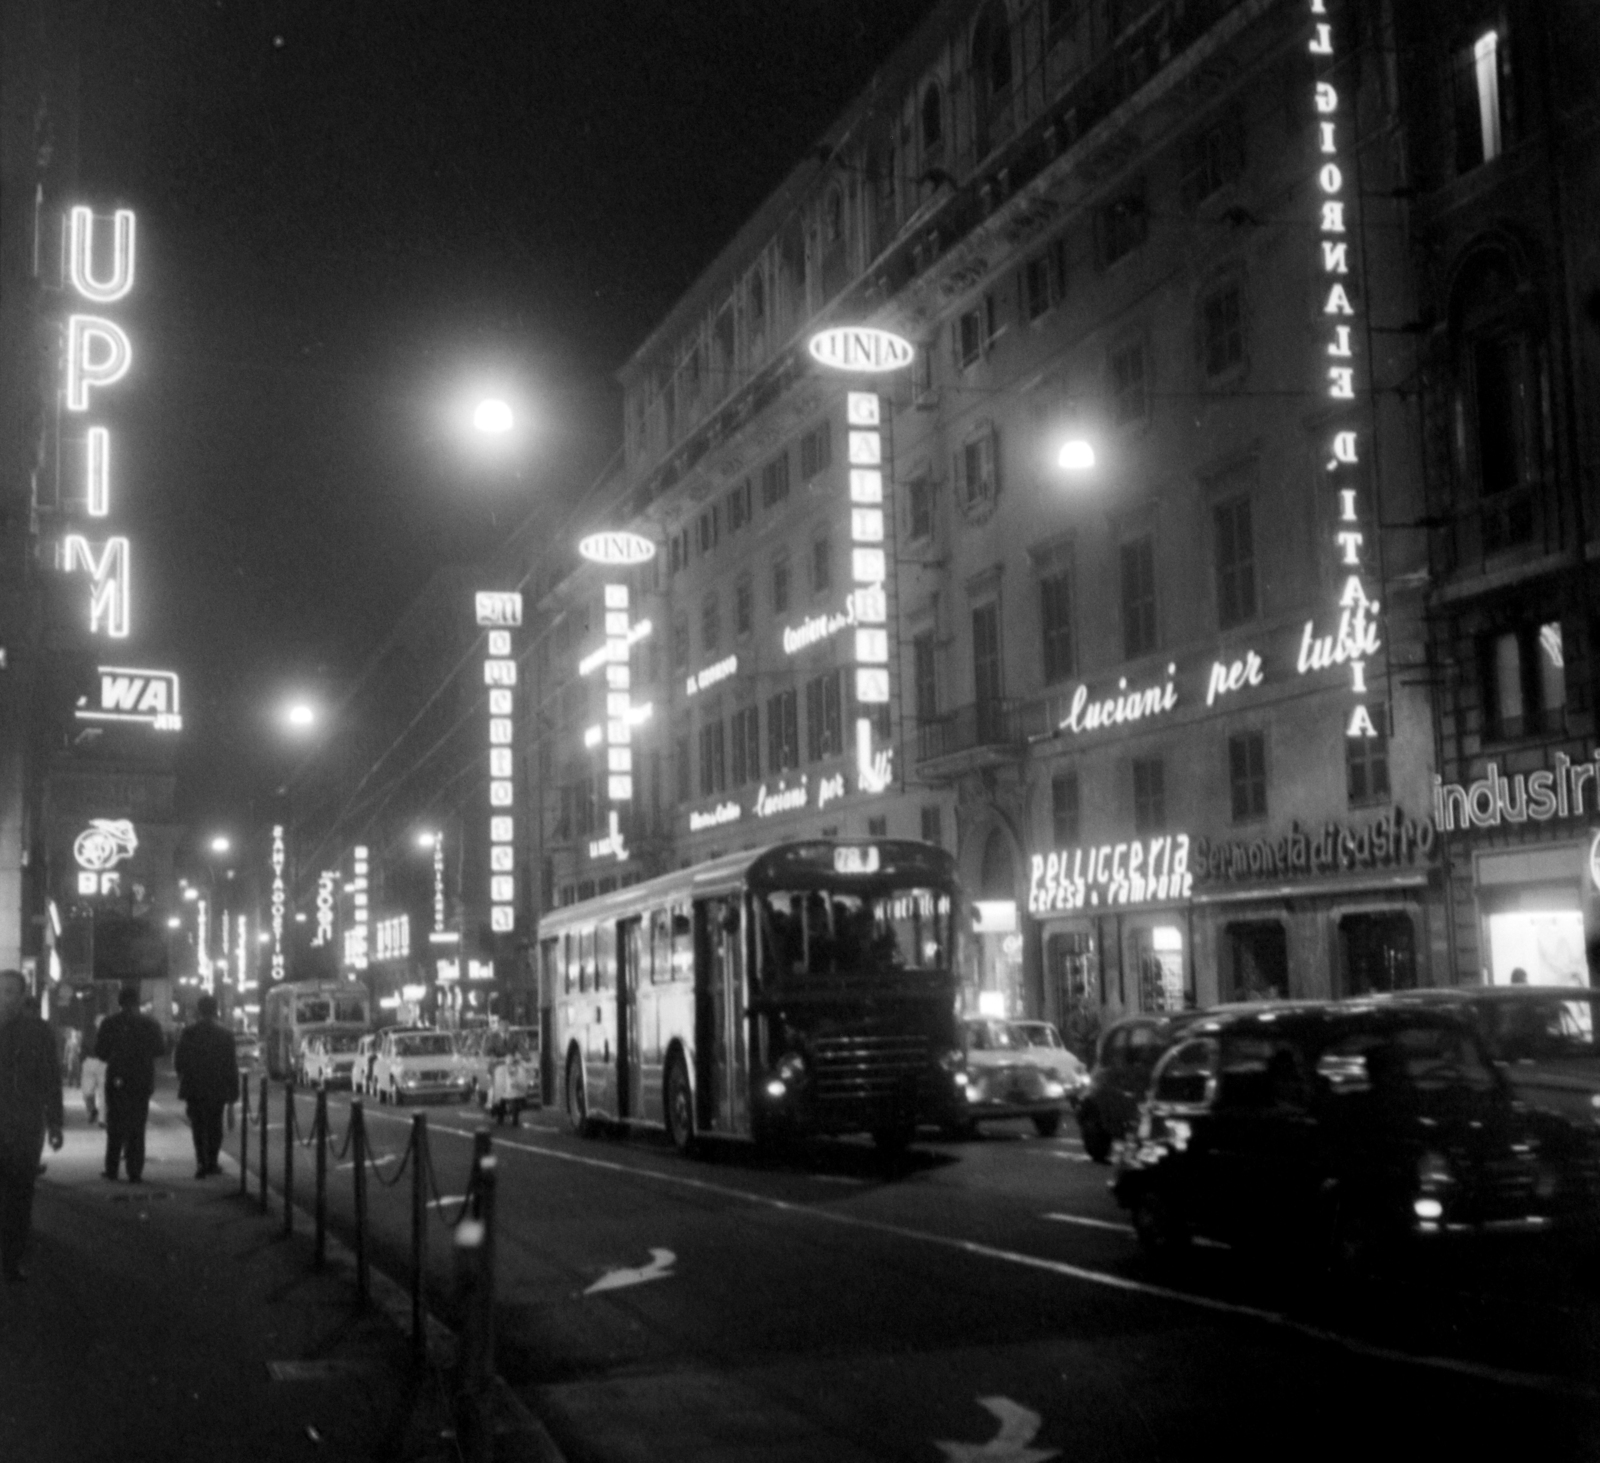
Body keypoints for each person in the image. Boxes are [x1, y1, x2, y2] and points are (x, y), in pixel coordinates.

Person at [0, 969, 64, 1282]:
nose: (4, 998)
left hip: (25, 1127)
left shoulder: (37, 1031)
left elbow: (51, 1078)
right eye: (0, 991)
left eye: (11, 991)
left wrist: (55, 1123)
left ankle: (12, 1258)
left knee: (20, 1195)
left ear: (23, 995)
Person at [94, 985, 163, 1183]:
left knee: (115, 1123)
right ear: (137, 1002)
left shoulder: (109, 1023)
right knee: (137, 1125)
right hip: (142, 1078)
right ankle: (135, 1170)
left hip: (117, 1078)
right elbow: (160, 1049)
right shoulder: (150, 1023)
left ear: (120, 1002)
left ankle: (112, 1168)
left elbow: (100, 1051)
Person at [173, 995, 238, 1178]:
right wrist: (233, 1093)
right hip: (217, 1087)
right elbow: (230, 1066)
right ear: (216, 1010)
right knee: (214, 1125)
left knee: (198, 1126)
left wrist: (183, 1077)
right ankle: (212, 1161)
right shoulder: (225, 1034)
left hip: (194, 1086)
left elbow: (179, 1061)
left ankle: (201, 1161)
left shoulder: (189, 1032)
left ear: (198, 1010)